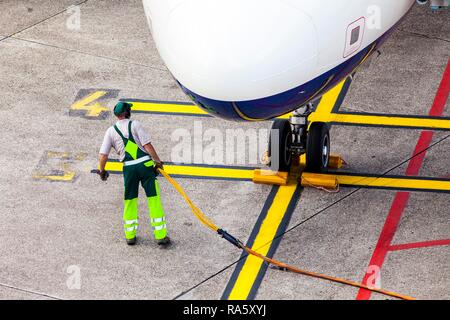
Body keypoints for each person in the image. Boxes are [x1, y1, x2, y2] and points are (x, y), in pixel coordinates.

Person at [97, 102, 170, 246]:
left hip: (129, 169)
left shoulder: (111, 131)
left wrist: (102, 170)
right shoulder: (135, 125)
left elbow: (103, 155)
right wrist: (158, 162)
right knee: (153, 200)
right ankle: (160, 236)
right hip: (145, 166)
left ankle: (130, 236)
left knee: (130, 201)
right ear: (128, 112)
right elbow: (147, 145)